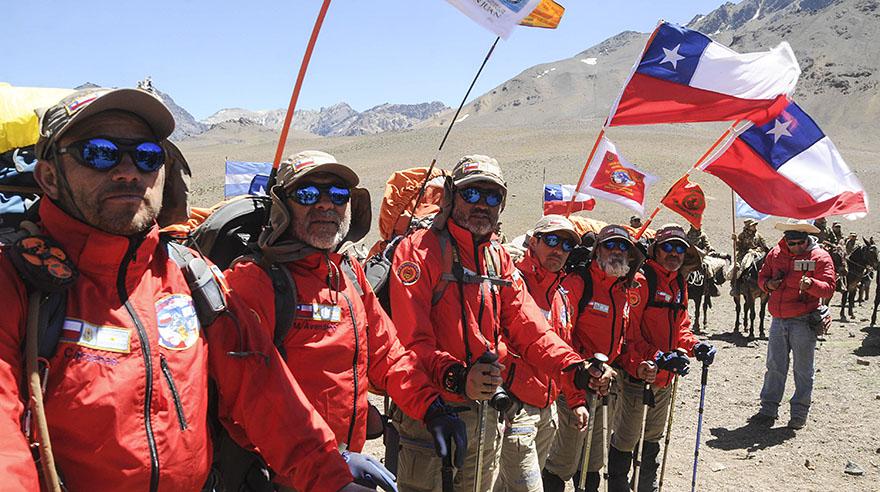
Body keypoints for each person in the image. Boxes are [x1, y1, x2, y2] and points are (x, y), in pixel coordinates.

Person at [0, 88, 373, 491]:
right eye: (100, 152)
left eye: (147, 156)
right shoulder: (15, 285)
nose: (129, 171)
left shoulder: (193, 278)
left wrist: (329, 475)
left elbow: (262, 390)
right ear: (49, 177)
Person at [223, 150, 468, 475]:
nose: (325, 204)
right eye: (307, 194)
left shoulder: (348, 275)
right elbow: (246, 398)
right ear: (282, 205)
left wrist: (432, 407)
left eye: (337, 194)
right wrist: (323, 460)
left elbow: (388, 355)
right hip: (279, 473)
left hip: (339, 471)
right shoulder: (253, 282)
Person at [388, 155, 614, 492]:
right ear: (452, 196)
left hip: (483, 415)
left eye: (492, 196)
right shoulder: (418, 252)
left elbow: (530, 327)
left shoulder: (498, 258)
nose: (482, 204)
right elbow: (410, 341)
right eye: (472, 194)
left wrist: (573, 368)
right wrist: (455, 376)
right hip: (430, 412)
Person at [607, 224, 716, 492]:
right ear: (656, 250)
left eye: (680, 248)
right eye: (668, 247)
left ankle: (646, 487)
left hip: (665, 378)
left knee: (654, 437)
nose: (674, 253)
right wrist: (658, 356)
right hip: (638, 373)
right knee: (627, 438)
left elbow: (681, 327)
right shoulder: (642, 281)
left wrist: (694, 346)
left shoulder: (679, 283)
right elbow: (628, 335)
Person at [543, 224, 650, 492]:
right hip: (573, 385)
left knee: (593, 463)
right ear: (597, 250)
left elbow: (622, 347)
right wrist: (582, 378)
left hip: (604, 388)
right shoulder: (578, 283)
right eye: (609, 245)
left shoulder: (621, 289)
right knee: (562, 462)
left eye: (623, 246)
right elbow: (560, 339)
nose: (616, 251)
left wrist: (641, 365)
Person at [493, 214, 584, 492]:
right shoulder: (512, 284)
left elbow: (564, 351)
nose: (558, 250)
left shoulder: (562, 297)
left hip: (548, 411)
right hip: (516, 409)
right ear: (534, 242)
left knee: (506, 487)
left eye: (566, 245)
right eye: (552, 240)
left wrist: (577, 399)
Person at [751, 220, 835, 430]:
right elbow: (762, 277)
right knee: (775, 366)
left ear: (807, 239)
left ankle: (798, 414)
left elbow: (829, 288)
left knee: (803, 369)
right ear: (786, 239)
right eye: (792, 242)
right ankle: (768, 410)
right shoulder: (775, 254)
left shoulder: (820, 257)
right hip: (778, 320)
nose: (796, 246)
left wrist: (812, 285)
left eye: (800, 242)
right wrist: (769, 285)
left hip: (803, 320)